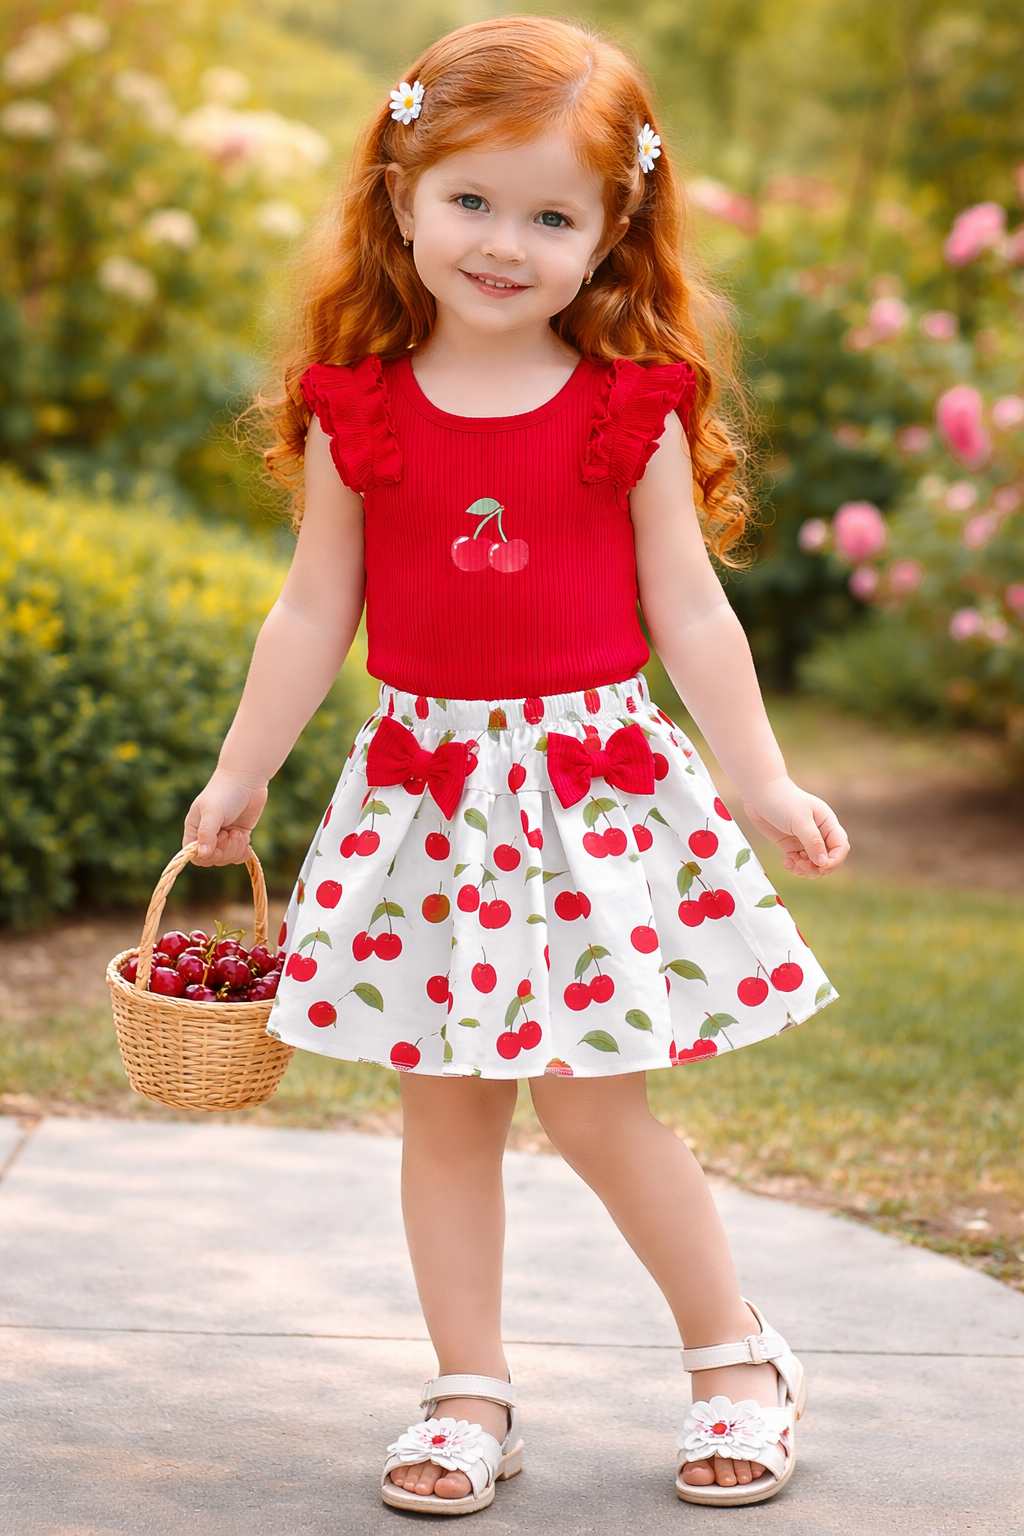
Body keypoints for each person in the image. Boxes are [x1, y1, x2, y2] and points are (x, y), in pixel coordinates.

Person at [184, 14, 849, 1515]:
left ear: (611, 232)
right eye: (473, 200)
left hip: (592, 795)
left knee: (597, 1100)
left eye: (552, 214)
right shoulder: (362, 409)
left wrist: (762, 781)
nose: (504, 242)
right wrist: (242, 773)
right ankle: (466, 1393)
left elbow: (691, 608)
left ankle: (737, 1359)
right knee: (447, 1101)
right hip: (427, 795)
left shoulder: (634, 411)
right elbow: (312, 610)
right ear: (401, 196)